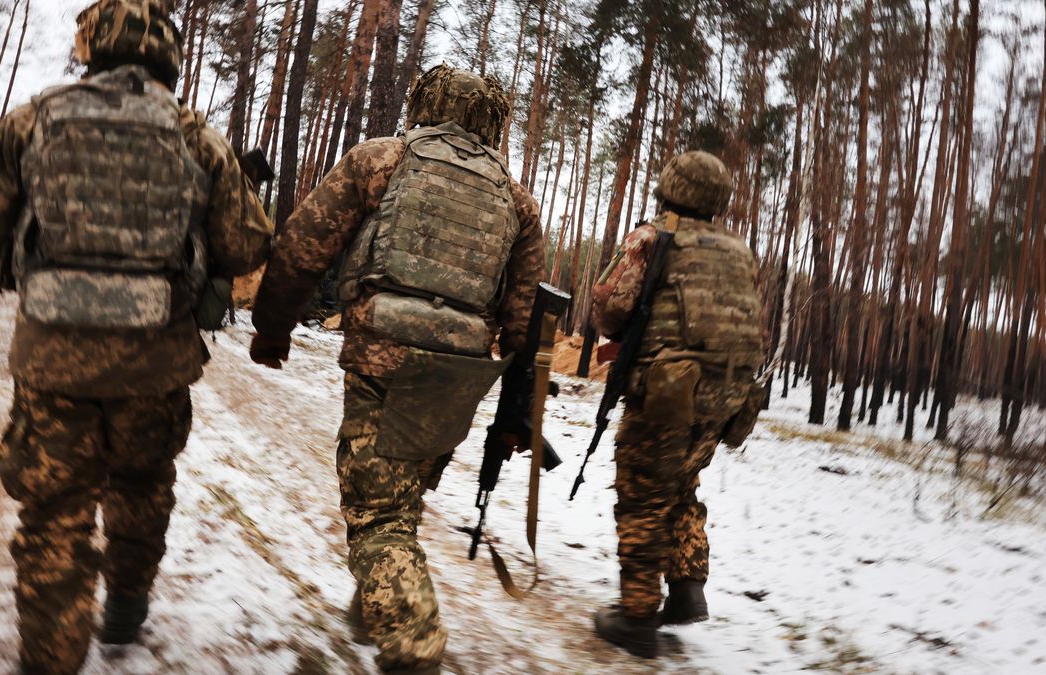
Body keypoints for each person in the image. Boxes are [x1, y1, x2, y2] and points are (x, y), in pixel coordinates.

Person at [0, 1, 272, 671]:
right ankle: (125, 607)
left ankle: (51, 656)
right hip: (156, 364)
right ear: (167, 53)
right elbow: (247, 243)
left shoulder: (36, 117)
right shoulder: (195, 135)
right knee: (142, 486)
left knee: (54, 512)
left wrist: (9, 261)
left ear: (91, 46)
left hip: (53, 360)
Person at [249, 64, 545, 674]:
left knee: (378, 513)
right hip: (459, 374)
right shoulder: (518, 202)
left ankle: (413, 642)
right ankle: (376, 603)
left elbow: (304, 247)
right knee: (398, 492)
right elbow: (524, 324)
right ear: (492, 120)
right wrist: (514, 407)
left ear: (425, 102)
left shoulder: (380, 158)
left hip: (383, 354)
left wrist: (273, 326)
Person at [588, 150, 766, 658]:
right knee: (682, 484)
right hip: (726, 395)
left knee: (643, 495)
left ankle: (637, 616)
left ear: (668, 187)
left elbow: (610, 309)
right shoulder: (739, 251)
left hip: (667, 392)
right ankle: (687, 586)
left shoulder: (651, 238)